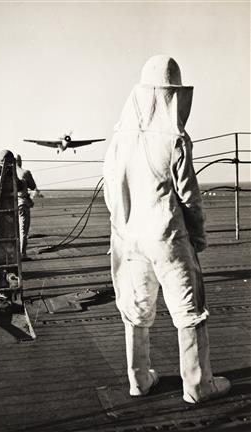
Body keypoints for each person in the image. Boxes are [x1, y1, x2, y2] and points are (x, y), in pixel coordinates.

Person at [103, 55, 231, 403]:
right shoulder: (175, 139)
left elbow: (111, 191)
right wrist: (199, 237)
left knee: (136, 309)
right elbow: (189, 197)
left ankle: (139, 379)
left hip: (129, 237)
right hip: (167, 236)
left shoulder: (119, 137)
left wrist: (123, 227)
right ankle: (198, 385)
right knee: (189, 310)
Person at [15, 154, 39, 260]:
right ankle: (22, 254)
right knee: (23, 231)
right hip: (22, 203)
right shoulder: (25, 172)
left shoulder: (5, 175)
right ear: (20, 161)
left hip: (10, 205)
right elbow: (33, 186)